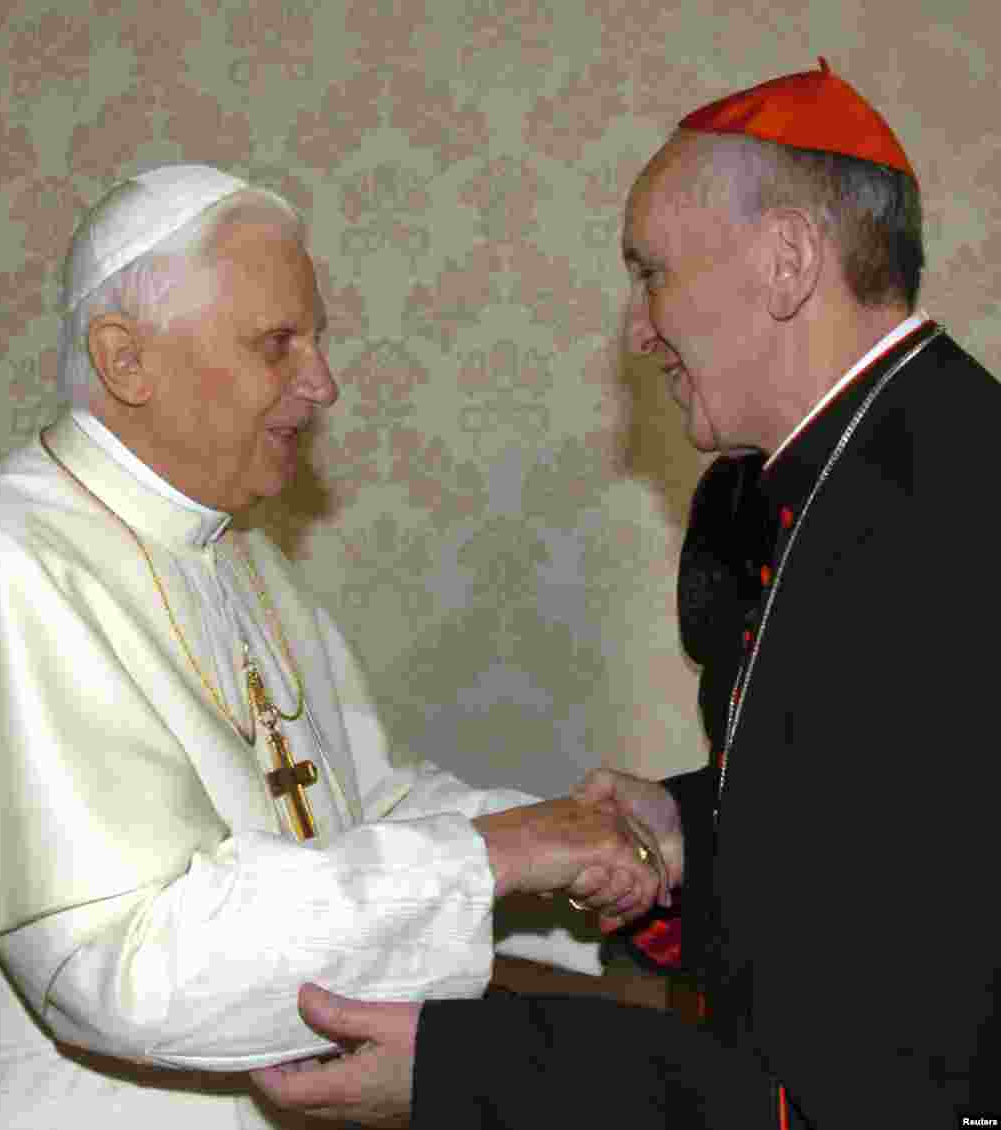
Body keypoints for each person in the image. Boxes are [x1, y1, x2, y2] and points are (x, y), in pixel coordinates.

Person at [252, 60, 1000, 1127]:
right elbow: (861, 831)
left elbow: (868, 1055)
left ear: (787, 261)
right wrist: (686, 822)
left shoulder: (952, 512)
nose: (638, 330)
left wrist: (473, 1068)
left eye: (652, 273)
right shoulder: (847, 473)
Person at [0, 165, 665, 1129]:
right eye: (278, 344)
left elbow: (365, 810)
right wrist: (495, 854)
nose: (322, 382)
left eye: (317, 339)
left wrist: (575, 839)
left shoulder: (240, 553)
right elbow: (129, 966)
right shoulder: (7, 563)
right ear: (126, 360)